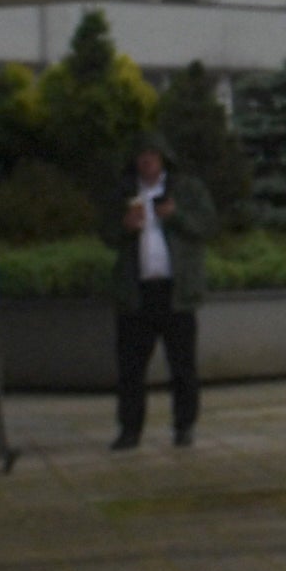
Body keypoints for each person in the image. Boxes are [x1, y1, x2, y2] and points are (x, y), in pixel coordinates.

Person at [110, 140, 202, 451]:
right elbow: (105, 232)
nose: (147, 163)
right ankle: (130, 429)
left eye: (152, 158)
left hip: (175, 292)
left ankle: (184, 425)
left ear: (163, 160)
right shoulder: (124, 191)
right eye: (142, 158)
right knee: (131, 367)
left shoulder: (185, 188)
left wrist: (175, 216)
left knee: (182, 365)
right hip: (137, 292)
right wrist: (124, 226)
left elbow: (207, 225)